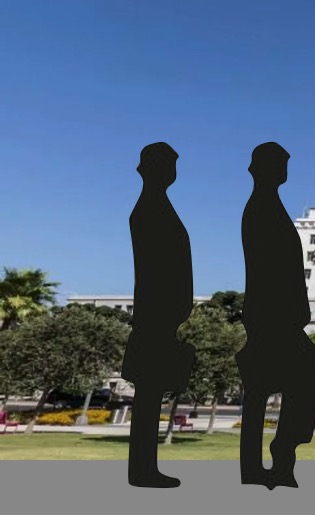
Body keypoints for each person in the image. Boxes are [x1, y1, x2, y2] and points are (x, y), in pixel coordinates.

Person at [236, 143, 315, 490]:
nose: (283, 170)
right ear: (258, 168)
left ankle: (273, 460)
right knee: (312, 372)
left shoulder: (269, 207)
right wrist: (290, 309)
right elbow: (270, 269)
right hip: (272, 316)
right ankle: (281, 451)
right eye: (279, 164)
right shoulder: (261, 209)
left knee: (275, 385)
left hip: (276, 314)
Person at [123, 143, 196, 488]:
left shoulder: (156, 205)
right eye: (168, 164)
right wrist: (169, 308)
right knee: (149, 393)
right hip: (156, 315)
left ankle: (144, 468)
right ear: (149, 168)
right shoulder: (150, 208)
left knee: (151, 394)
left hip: (161, 315)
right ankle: (142, 470)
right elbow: (157, 267)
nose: (172, 171)